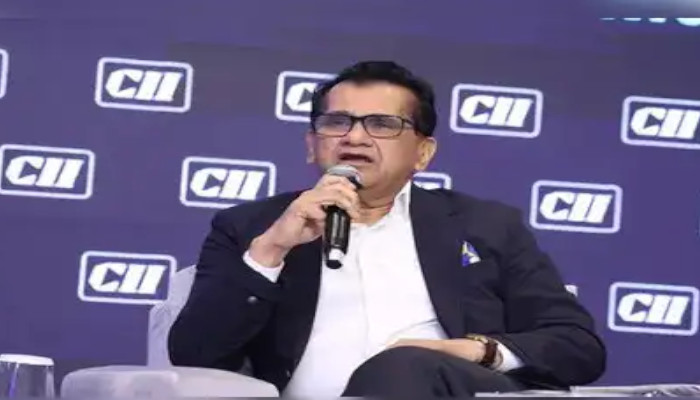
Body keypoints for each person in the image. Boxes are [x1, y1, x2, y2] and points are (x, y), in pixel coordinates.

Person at [168, 61, 606, 397]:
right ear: (312, 145)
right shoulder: (250, 228)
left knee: (403, 366)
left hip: (442, 388)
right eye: (337, 122)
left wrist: (476, 349)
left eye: (382, 124)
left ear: (423, 154)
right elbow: (193, 356)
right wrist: (271, 250)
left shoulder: (486, 226)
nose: (354, 138)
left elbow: (576, 346)